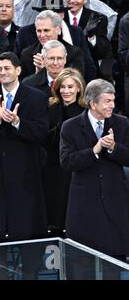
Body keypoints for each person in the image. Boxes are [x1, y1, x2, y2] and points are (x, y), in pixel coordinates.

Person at [0, 51, 49, 241]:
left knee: (25, 232)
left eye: (7, 68)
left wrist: (17, 122)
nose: (3, 72)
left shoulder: (36, 98)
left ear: (18, 70)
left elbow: (41, 132)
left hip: (25, 173)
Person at [60, 79, 129, 265]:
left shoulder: (122, 123)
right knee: (84, 263)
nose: (112, 105)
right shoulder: (70, 126)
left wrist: (114, 147)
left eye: (113, 100)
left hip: (115, 204)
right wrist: (95, 150)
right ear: (93, 103)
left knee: (115, 263)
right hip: (85, 206)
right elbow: (67, 162)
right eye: (107, 101)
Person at [42, 67, 85, 237]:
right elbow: (44, 139)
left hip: (77, 168)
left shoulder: (85, 112)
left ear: (78, 88)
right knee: (56, 212)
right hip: (54, 168)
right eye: (63, 87)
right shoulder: (50, 109)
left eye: (70, 87)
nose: (66, 91)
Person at [64, 0, 113, 81]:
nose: (72, 0)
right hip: (63, 70)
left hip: (88, 71)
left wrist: (92, 37)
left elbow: (103, 51)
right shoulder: (58, 16)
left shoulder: (97, 18)